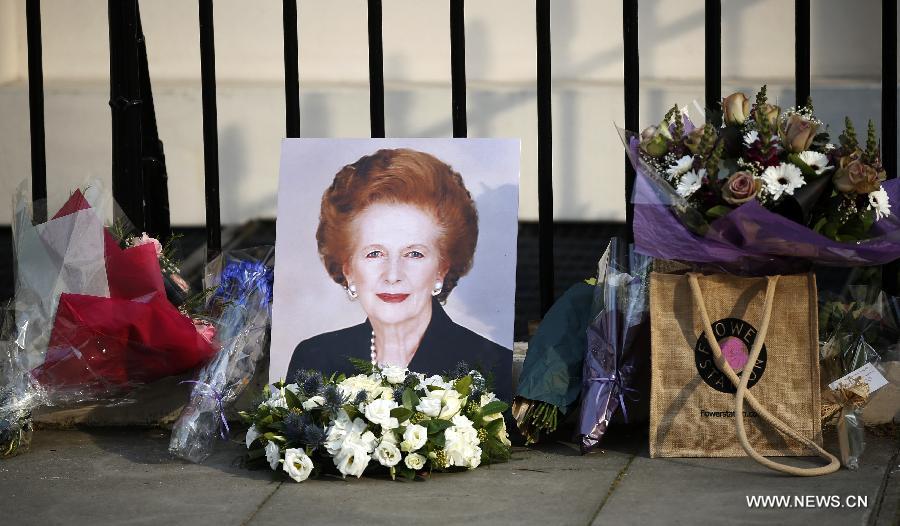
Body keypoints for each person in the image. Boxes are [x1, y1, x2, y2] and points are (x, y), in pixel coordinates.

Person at [286, 148, 512, 402]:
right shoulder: (315, 358)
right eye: (374, 254)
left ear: (442, 268)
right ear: (348, 269)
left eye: (414, 254)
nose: (393, 275)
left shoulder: (492, 366)